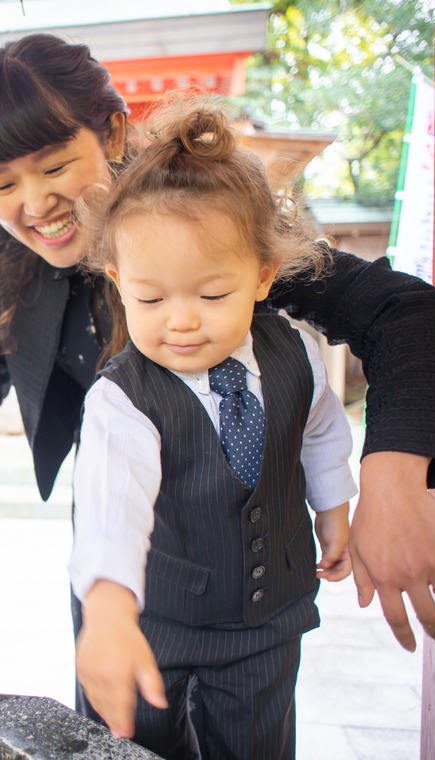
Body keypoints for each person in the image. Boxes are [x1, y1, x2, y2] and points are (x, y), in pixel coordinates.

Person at [0, 33, 435, 665]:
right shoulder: (11, 244)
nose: (34, 204)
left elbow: (404, 312)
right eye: (2, 185)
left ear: (110, 133)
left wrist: (393, 480)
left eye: (54, 167)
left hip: (233, 567)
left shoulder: (204, 215)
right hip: (112, 543)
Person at [70, 96, 357, 758]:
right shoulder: (124, 399)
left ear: (260, 276)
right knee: (138, 740)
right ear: (118, 281)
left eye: (210, 294)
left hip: (268, 624)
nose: (181, 320)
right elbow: (112, 511)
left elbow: (318, 432)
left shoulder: (295, 353)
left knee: (257, 740)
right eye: (150, 297)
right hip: (157, 623)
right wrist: (109, 613)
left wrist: (333, 506)